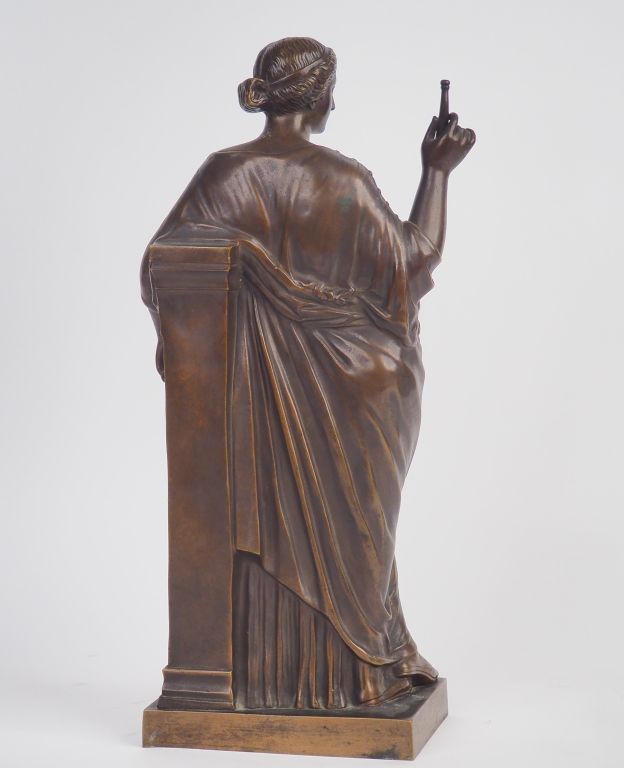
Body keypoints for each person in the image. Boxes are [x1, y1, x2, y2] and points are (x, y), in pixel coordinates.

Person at [141, 36, 475, 710]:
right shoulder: (342, 180)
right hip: (359, 386)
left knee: (286, 521)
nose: (333, 103)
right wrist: (437, 172)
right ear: (319, 96)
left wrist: (179, 343)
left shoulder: (221, 175)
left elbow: (161, 267)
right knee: (354, 534)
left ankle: (278, 682)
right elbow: (415, 262)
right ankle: (357, 676)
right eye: (332, 90)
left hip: (251, 391)